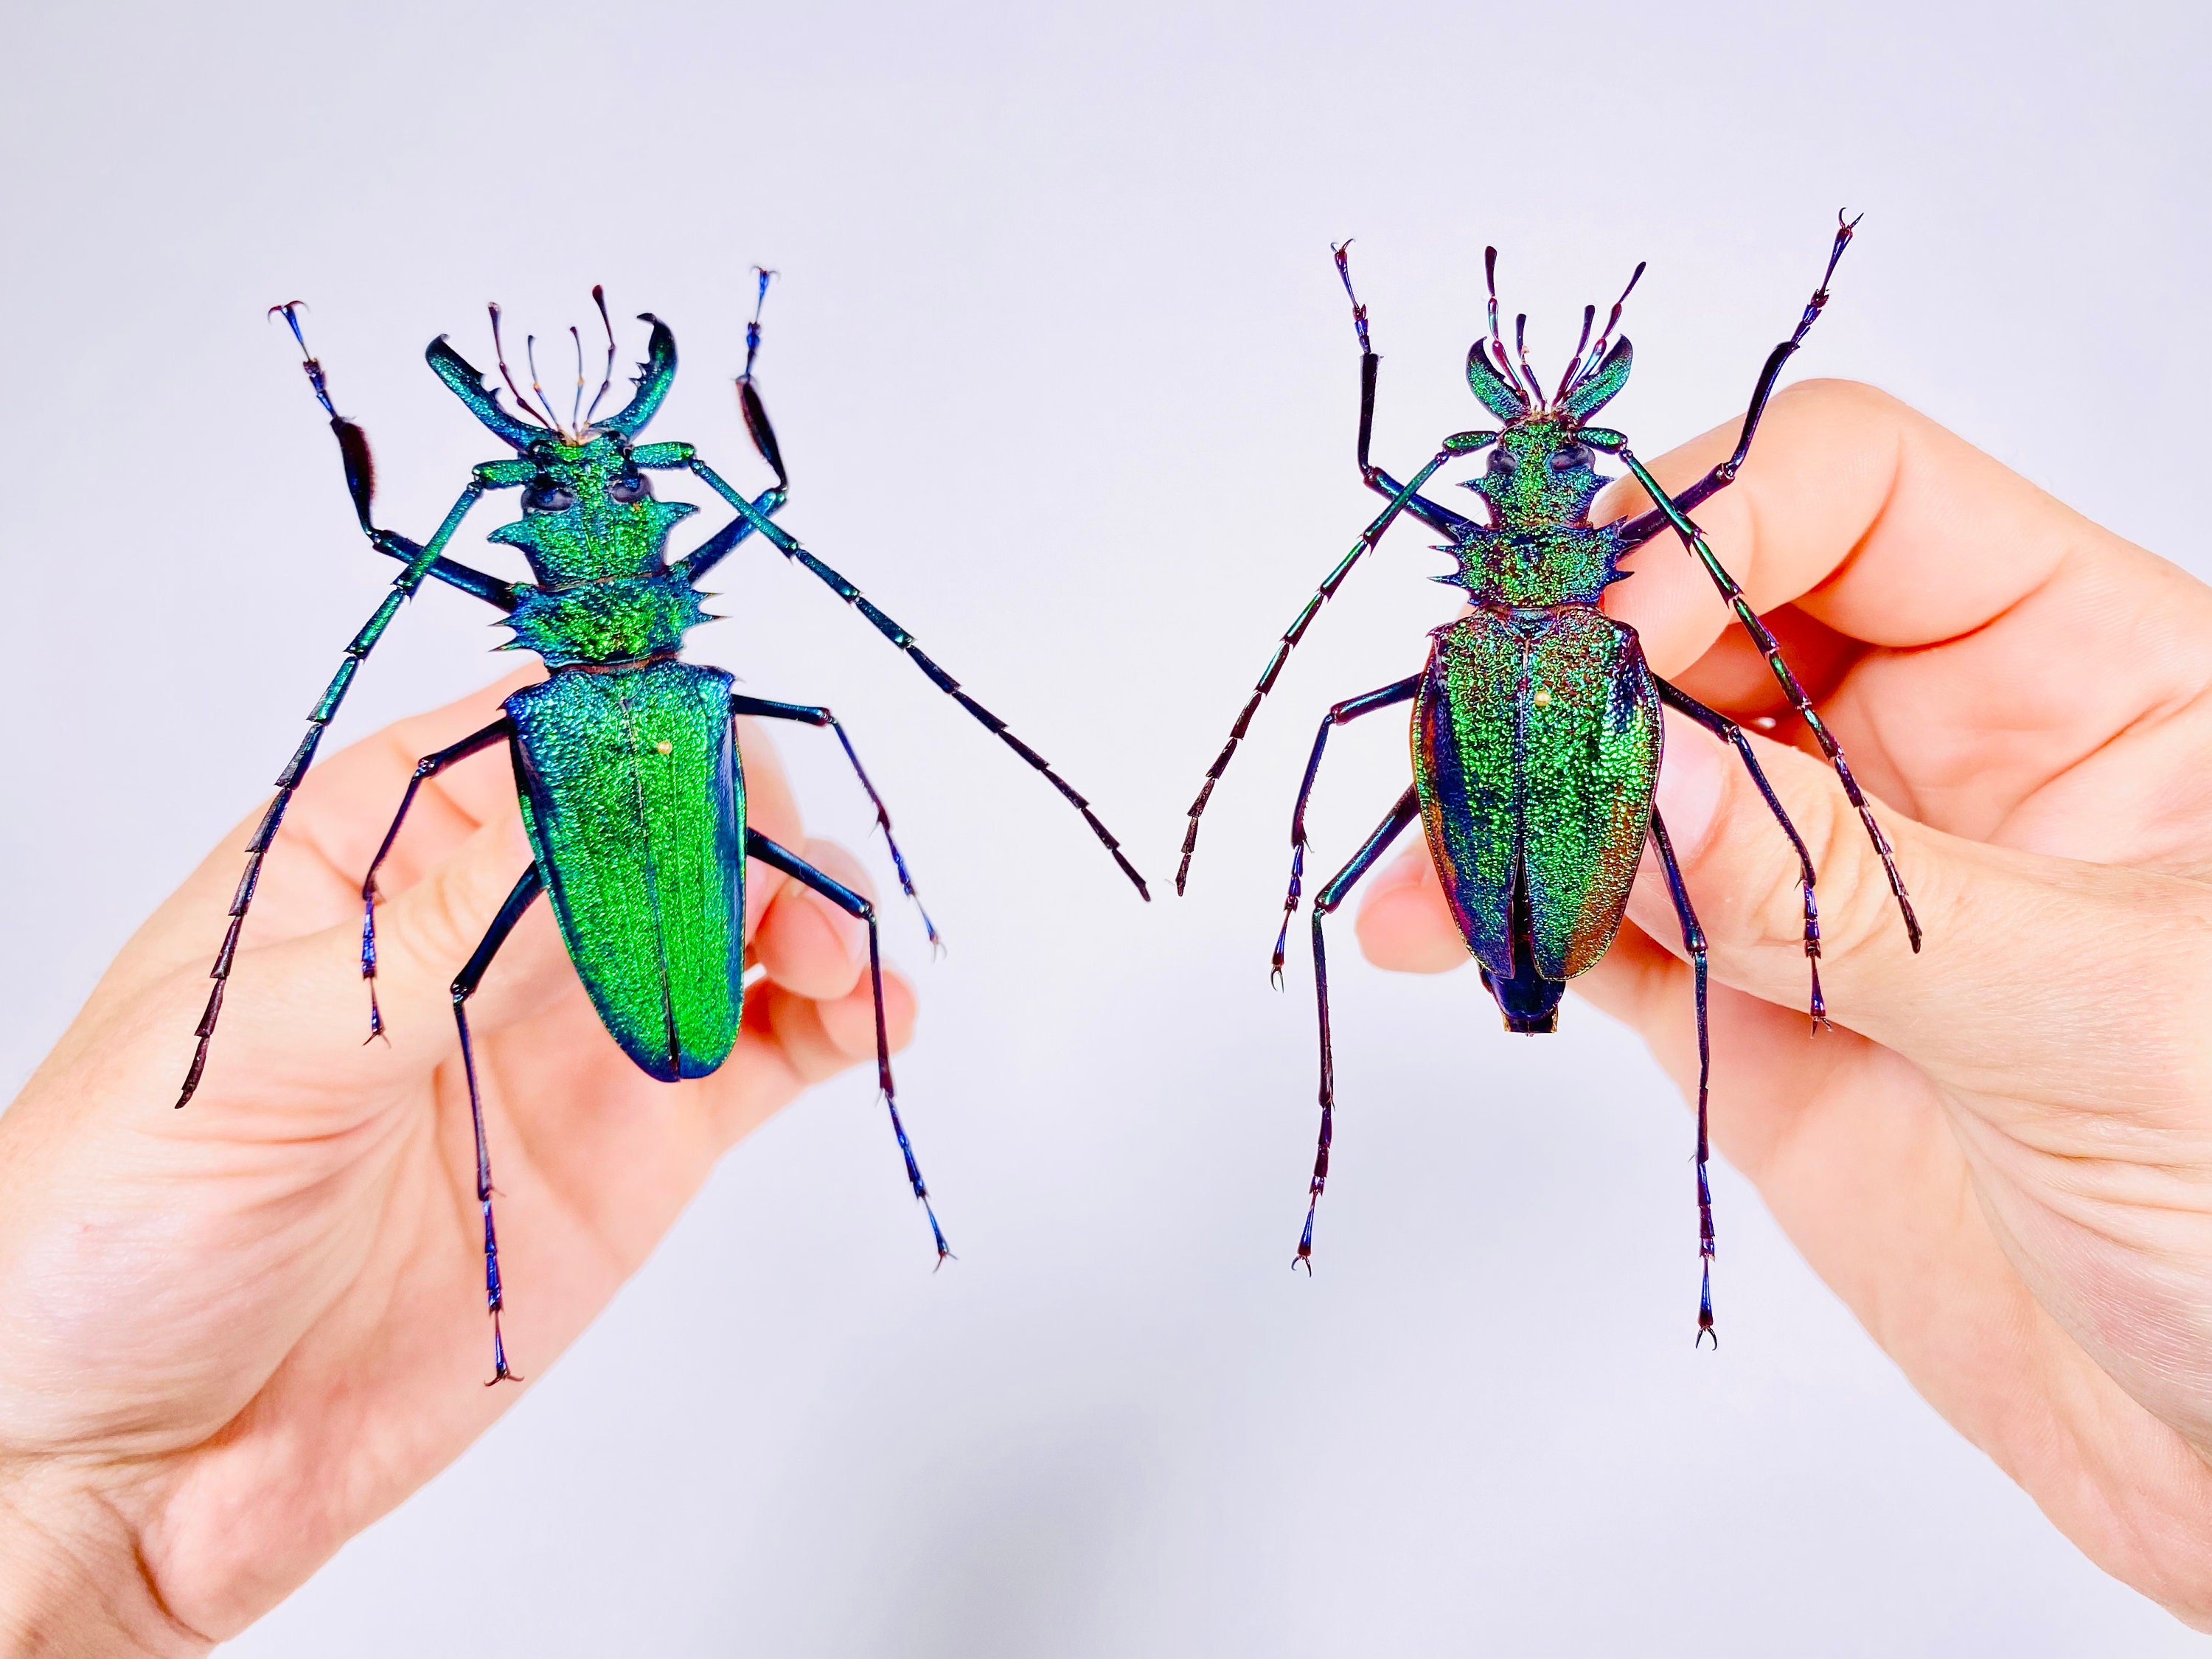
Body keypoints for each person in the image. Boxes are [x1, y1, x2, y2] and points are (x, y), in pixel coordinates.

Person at [3, 380, 2208, 1648]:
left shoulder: (580, 692)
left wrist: (71, 1514)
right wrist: (69, 1510)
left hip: (649, 839)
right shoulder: (675, 682)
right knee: (1689, 940)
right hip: (660, 819)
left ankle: (814, 1149)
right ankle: (791, 1152)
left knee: (1674, 935)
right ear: (646, 557)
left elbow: (436, 562)